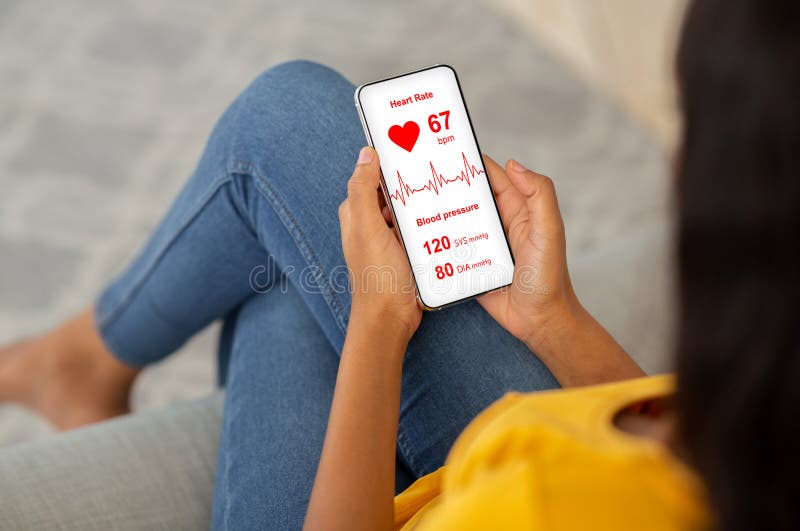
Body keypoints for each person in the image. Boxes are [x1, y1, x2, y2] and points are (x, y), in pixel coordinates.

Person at [1, 0, 797, 529]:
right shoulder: (764, 424)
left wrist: (379, 330)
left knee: (285, 156)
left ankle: (78, 360)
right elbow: (699, 459)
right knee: (313, 242)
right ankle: (81, 361)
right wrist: (551, 319)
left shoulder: (535, 498)